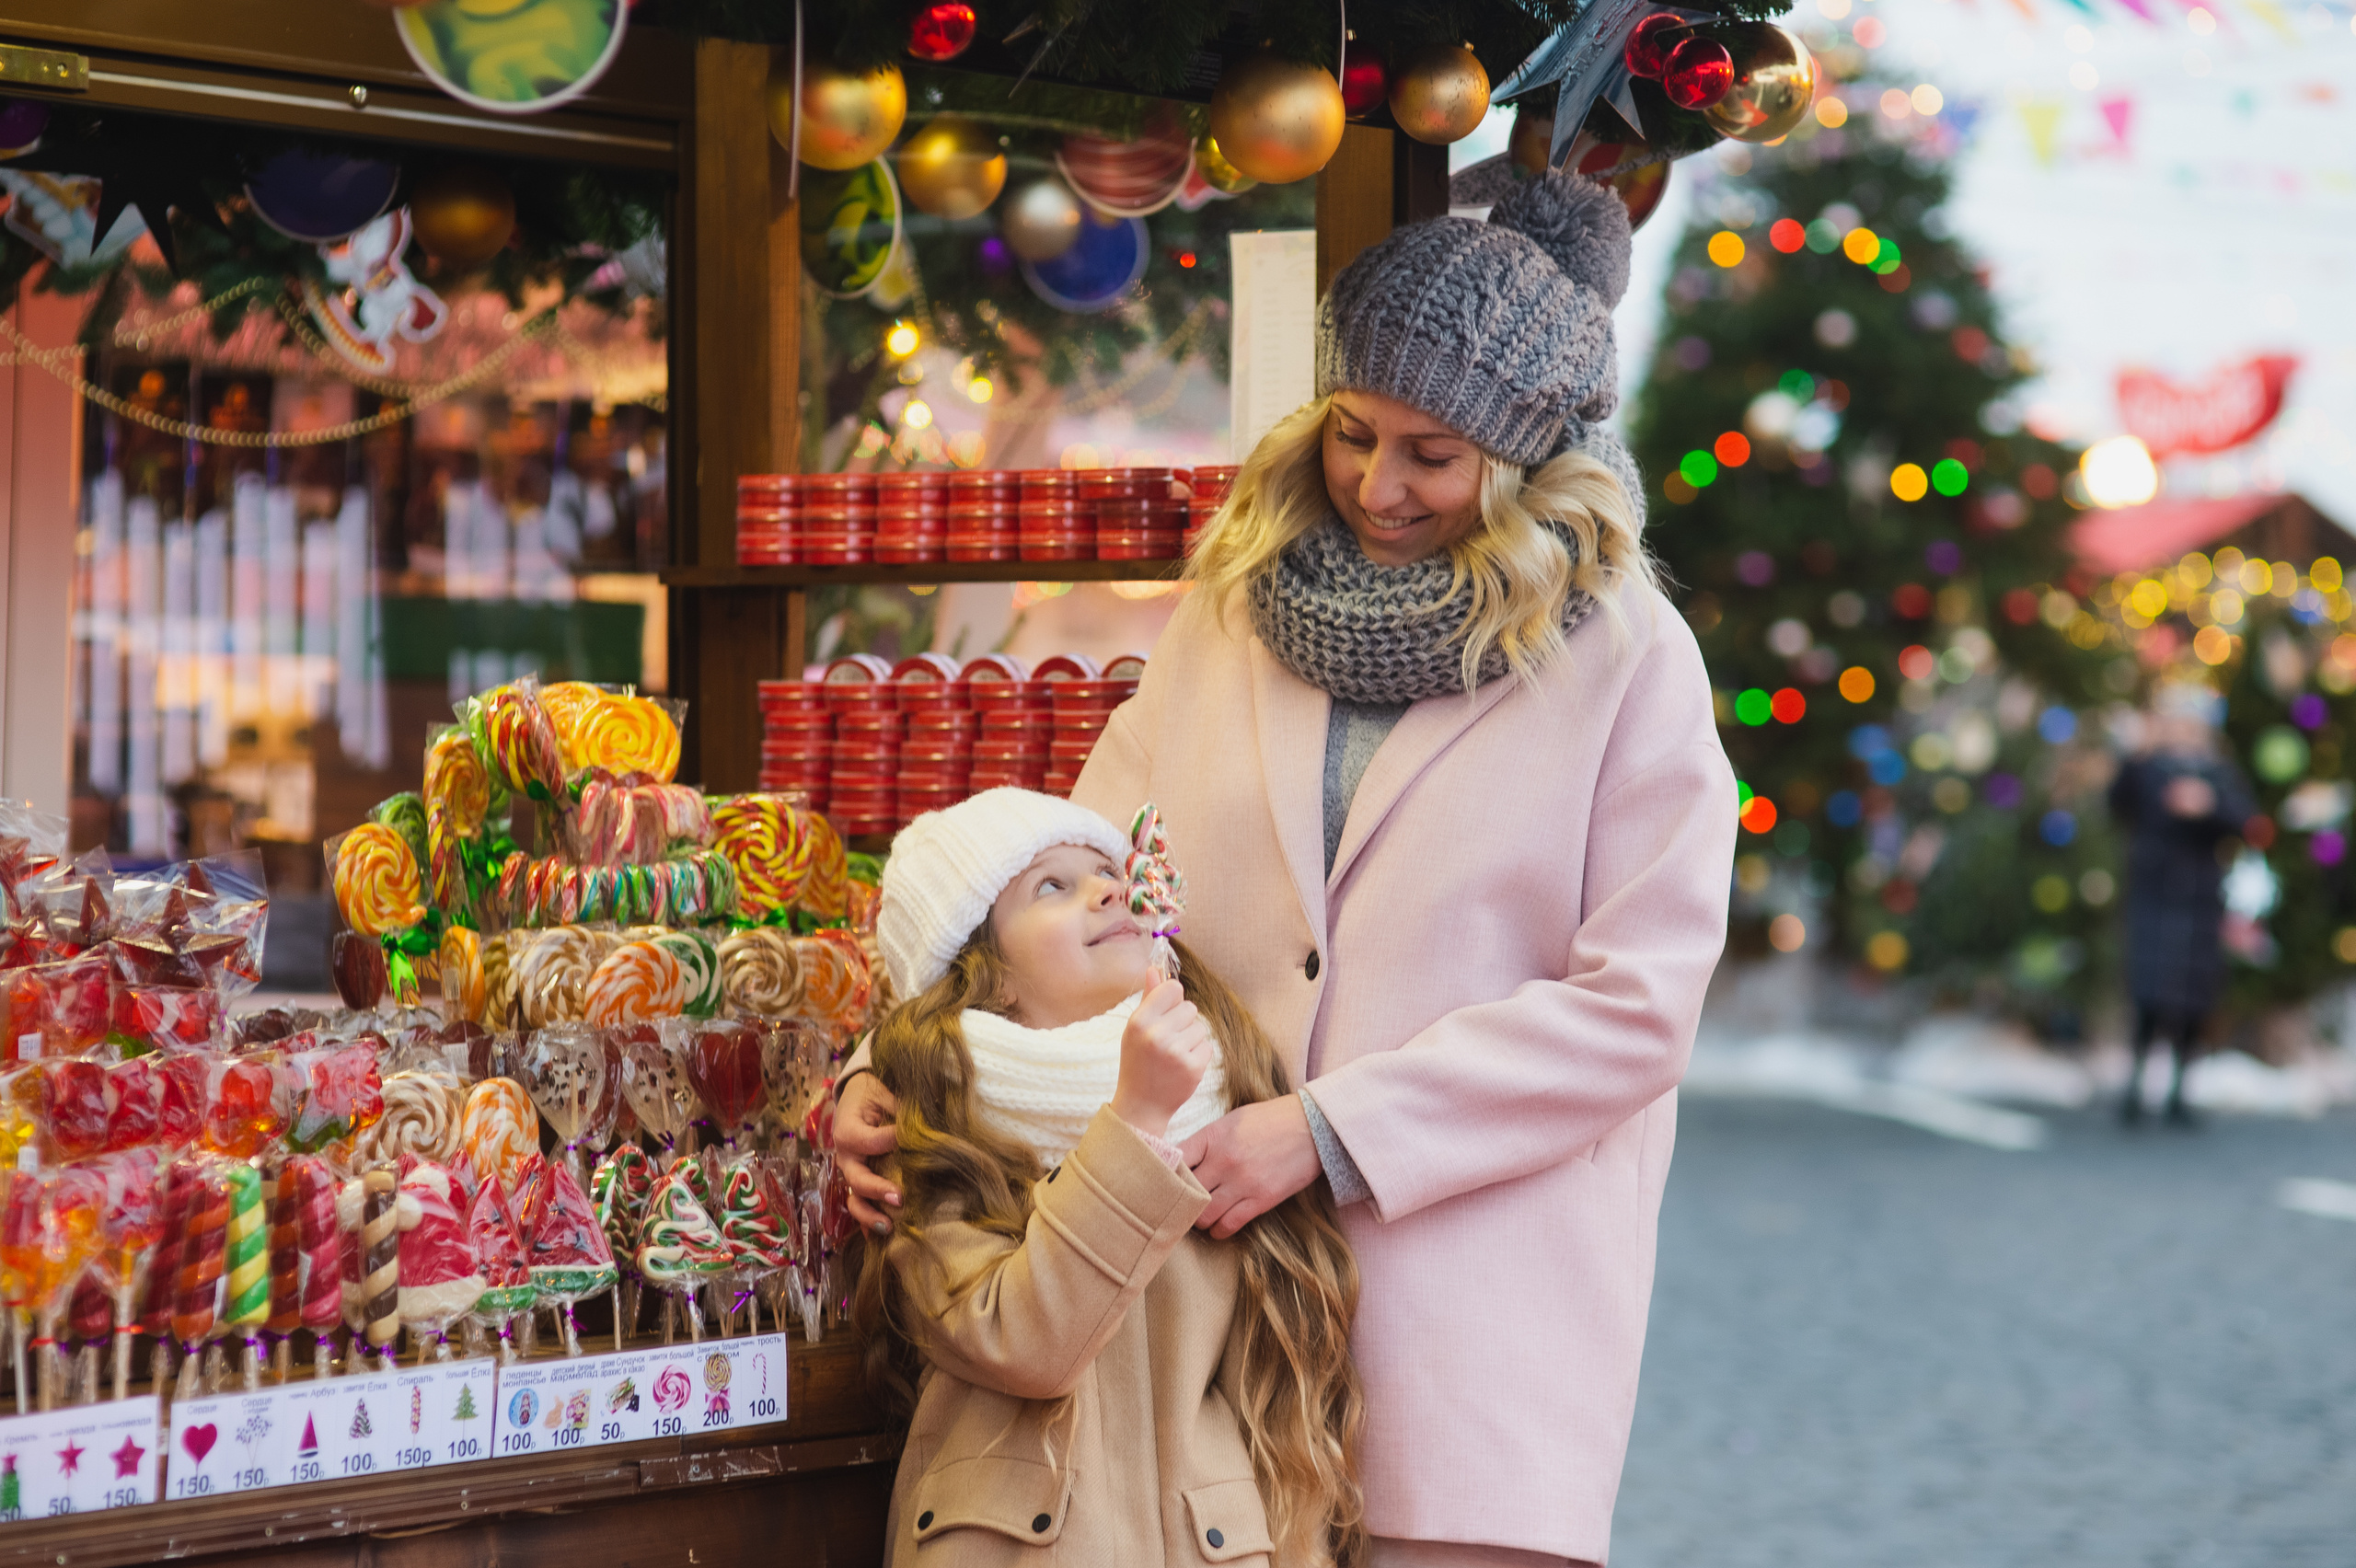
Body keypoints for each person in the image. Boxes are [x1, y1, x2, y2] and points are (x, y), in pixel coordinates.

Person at [839, 171, 1737, 1567]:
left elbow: (1637, 1009)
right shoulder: (1231, 614)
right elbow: (1060, 887)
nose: (1379, 486)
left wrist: (1326, 1130)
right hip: (1211, 1373)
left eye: (1432, 455)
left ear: (1521, 459)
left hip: (1475, 1332)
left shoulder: (1626, 659)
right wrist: (881, 1078)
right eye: (1352, 433)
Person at [850, 788, 1365, 1566]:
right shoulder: (939, 1135)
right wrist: (1131, 1122)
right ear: (988, 979)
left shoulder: (1218, 1109)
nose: (1107, 888)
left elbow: (1277, 1409)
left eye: (1107, 871)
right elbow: (1024, 1343)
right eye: (1049, 886)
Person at [2107, 682, 2256, 1125]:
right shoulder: (2148, 767)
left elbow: (2245, 820)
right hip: (2153, 891)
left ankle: (2179, 1091)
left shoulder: (2219, 773)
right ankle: (2135, 1084)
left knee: (2193, 998)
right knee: (2148, 994)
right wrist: (2133, 755)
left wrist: (2207, 806)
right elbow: (2116, 804)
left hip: (2200, 898)